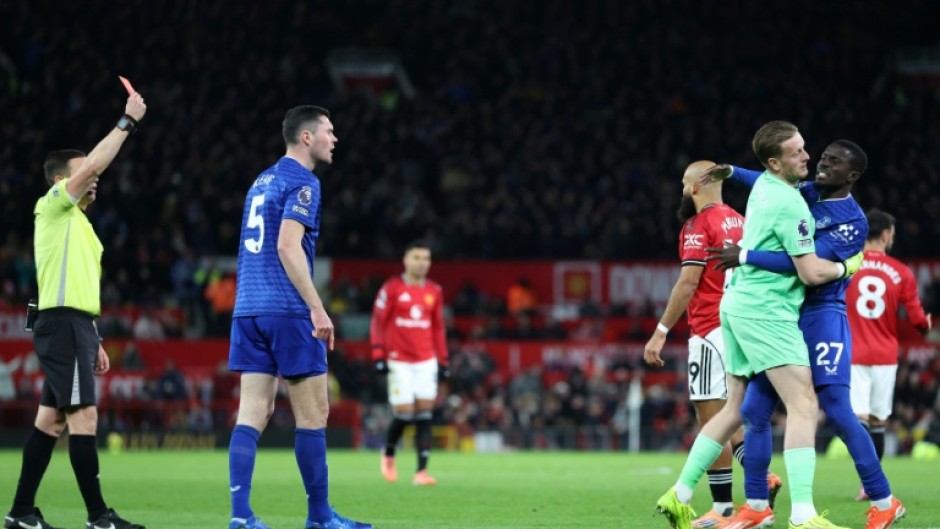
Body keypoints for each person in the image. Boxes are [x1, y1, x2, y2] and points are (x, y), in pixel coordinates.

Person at [654, 121, 860, 529]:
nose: (807, 156)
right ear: (774, 162)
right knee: (804, 405)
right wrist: (848, 265)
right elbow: (810, 273)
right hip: (766, 311)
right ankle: (802, 515)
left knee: (735, 409)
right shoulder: (791, 206)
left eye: (804, 148)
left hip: (735, 307)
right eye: (797, 152)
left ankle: (678, 494)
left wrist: (731, 170)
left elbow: (752, 177)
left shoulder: (765, 185)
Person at [708, 142, 906, 529]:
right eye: (823, 156)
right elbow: (768, 181)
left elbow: (807, 266)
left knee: (836, 408)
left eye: (834, 162)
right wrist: (732, 171)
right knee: (753, 410)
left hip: (823, 316)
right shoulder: (808, 191)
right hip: (788, 314)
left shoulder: (852, 222)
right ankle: (757, 506)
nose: (822, 163)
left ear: (851, 176)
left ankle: (884, 500)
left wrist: (746, 255)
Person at [5, 93, 147, 529]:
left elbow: (79, 285)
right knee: (84, 415)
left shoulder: (80, 225)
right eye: (83, 171)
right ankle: (98, 516)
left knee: (50, 422)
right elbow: (93, 166)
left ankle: (22, 513)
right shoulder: (51, 206)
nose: (94, 177)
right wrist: (127, 121)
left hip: (75, 325)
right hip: (63, 324)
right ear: (61, 180)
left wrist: (96, 337)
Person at [226, 105, 371, 529]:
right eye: (329, 130)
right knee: (313, 416)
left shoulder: (261, 180)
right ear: (306, 137)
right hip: (287, 311)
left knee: (252, 411)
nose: (334, 137)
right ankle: (320, 518)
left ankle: (241, 516)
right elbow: (288, 248)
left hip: (248, 309)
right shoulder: (304, 182)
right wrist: (316, 305)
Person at [644, 160, 781, 529]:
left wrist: (660, 329)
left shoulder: (698, 224)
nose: (682, 190)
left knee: (710, 418)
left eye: (683, 184)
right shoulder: (741, 219)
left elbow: (689, 283)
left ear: (694, 187)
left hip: (710, 328)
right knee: (734, 413)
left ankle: (721, 507)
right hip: (744, 326)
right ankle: (760, 481)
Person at [847, 209, 931, 500]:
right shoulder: (902, 272)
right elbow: (919, 322)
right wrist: (927, 324)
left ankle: (866, 481)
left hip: (853, 351)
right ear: (885, 235)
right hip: (885, 355)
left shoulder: (847, 266)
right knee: (879, 421)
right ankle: (871, 485)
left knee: (859, 419)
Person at [371, 240, 449, 486]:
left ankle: (421, 472)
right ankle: (389, 453)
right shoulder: (392, 288)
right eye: (417, 257)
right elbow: (377, 322)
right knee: (404, 414)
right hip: (399, 360)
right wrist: (377, 354)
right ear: (405, 260)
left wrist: (443, 359)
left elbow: (438, 327)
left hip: (426, 360)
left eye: (426, 258)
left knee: (425, 414)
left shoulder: (434, 291)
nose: (422, 263)